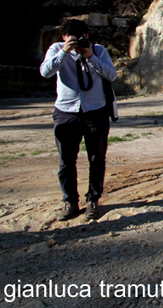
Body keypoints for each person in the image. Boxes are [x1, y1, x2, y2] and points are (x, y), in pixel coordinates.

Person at [40, 19, 117, 221]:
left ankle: (93, 200)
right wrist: (64, 52)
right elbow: (45, 72)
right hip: (66, 111)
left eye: (81, 37)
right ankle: (70, 202)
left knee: (97, 158)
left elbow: (111, 75)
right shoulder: (56, 49)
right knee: (66, 161)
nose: (77, 42)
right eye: (71, 38)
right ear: (64, 37)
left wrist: (90, 56)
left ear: (87, 36)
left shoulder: (98, 50)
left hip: (95, 110)